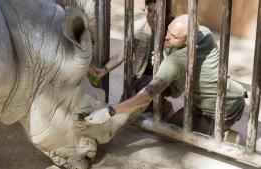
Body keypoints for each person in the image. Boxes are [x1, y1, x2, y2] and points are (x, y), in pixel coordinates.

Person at [85, 14, 246, 136]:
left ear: (190, 42)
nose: (167, 37)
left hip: (224, 109)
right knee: (169, 128)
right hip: (206, 101)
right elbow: (124, 51)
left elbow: (146, 95)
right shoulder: (205, 33)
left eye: (174, 37)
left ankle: (225, 134)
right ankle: (168, 110)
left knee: (171, 135)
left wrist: (110, 111)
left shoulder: (176, 61)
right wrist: (105, 68)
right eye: (169, 31)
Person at [89, 0, 176, 116]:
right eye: (150, 10)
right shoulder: (139, 27)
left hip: (167, 79)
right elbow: (122, 53)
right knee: (129, 96)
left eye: (158, 12)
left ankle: (157, 106)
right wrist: (105, 69)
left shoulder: (174, 31)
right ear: (145, 9)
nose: (152, 16)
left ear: (166, 13)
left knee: (140, 91)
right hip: (141, 77)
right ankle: (164, 107)